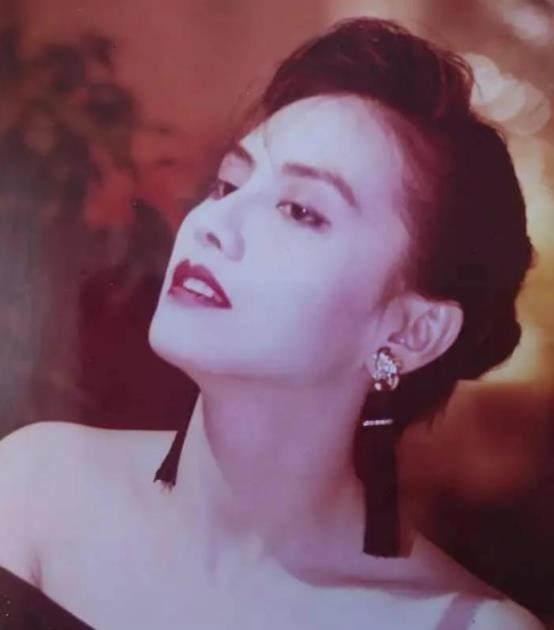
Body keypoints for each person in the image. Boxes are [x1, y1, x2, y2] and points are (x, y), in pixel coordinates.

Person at [0, 17, 544, 630]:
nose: (214, 224)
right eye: (227, 184)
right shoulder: (39, 485)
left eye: (300, 211)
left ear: (411, 332)